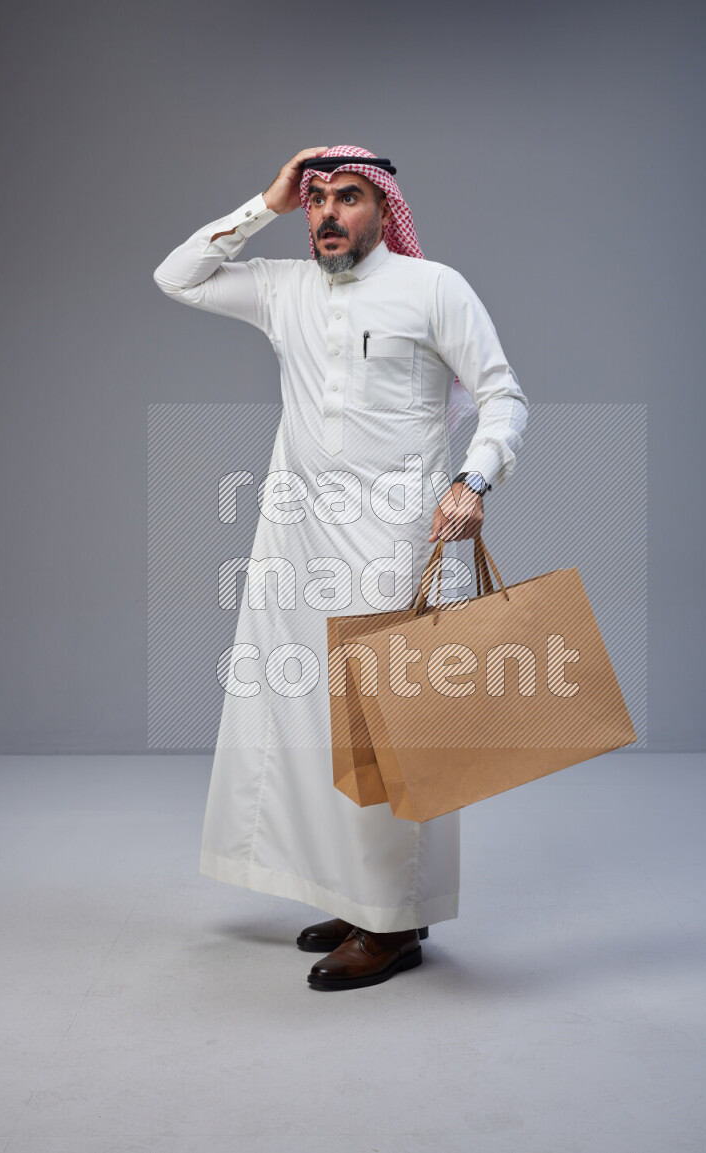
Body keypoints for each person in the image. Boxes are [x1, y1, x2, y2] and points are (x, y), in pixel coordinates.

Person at [153, 144, 529, 990]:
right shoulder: (285, 289)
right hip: (298, 543)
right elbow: (177, 276)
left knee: (389, 729)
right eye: (317, 198)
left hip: (396, 541)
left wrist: (474, 480)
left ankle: (391, 922)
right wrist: (266, 202)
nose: (328, 213)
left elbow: (504, 395)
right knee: (309, 723)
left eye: (348, 196)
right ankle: (365, 897)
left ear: (384, 209)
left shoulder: (434, 288)